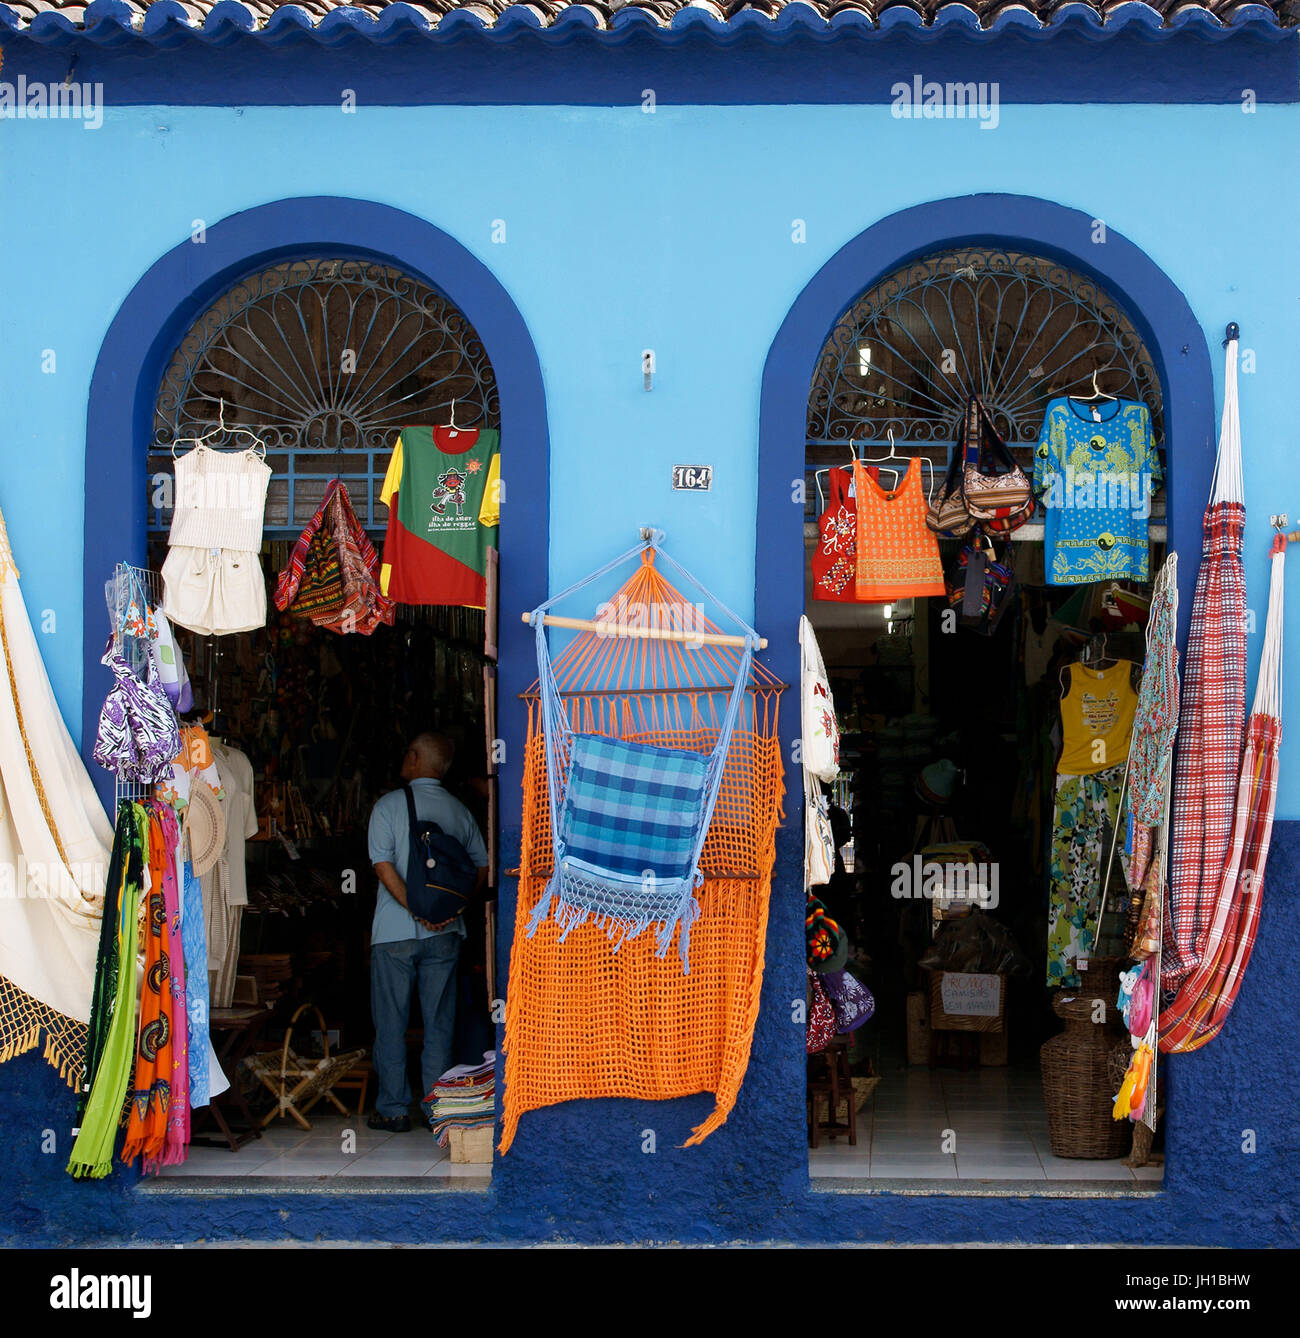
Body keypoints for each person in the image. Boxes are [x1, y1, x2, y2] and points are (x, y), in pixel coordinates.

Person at [366, 731, 488, 1132]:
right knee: (439, 1023)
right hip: (445, 933)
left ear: (415, 758)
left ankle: (394, 1109)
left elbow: (383, 866)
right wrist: (446, 911)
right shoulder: (459, 810)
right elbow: (480, 869)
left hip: (394, 933)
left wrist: (416, 911)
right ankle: (438, 1110)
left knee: (391, 1022)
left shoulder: (387, 806)